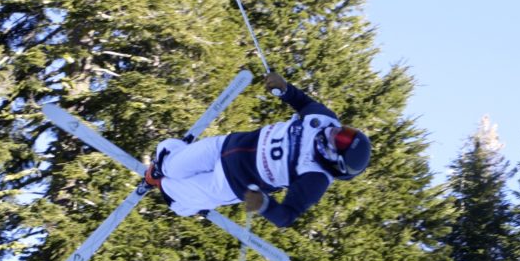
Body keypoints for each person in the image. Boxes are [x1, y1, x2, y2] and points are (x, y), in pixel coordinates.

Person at [144, 72, 371, 227]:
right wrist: (283, 89)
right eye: (346, 131)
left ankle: (184, 200)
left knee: (173, 193)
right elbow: (303, 102)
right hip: (226, 145)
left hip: (232, 183)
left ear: (334, 158)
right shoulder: (324, 120)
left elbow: (286, 216)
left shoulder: (316, 179)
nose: (335, 131)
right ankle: (162, 166)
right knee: (171, 163)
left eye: (339, 140)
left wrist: (265, 205)